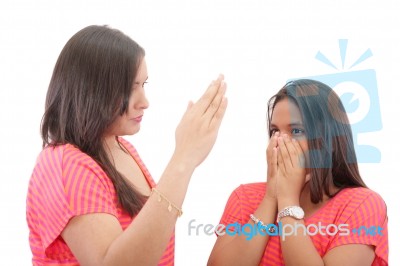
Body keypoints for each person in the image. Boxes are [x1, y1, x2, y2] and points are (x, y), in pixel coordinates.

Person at [26, 25, 227, 265]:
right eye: (131, 88)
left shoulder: (121, 147)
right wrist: (183, 159)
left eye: (144, 85)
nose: (145, 102)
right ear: (93, 90)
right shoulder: (64, 164)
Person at [208, 79, 388, 265]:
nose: (280, 141)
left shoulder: (362, 204)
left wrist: (287, 201)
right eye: (275, 131)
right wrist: (271, 197)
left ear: (329, 138)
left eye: (296, 130)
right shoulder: (244, 197)